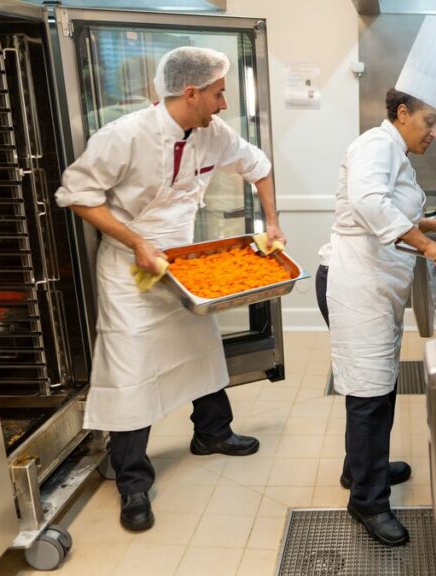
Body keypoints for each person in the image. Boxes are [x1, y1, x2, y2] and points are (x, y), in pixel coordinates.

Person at [55, 46, 286, 531]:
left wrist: (273, 221)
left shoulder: (210, 133)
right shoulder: (125, 136)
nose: (224, 104)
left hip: (182, 262)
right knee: (131, 370)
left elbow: (259, 165)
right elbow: (75, 194)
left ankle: (212, 433)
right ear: (191, 92)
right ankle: (132, 482)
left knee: (201, 347)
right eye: (219, 94)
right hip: (130, 268)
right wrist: (136, 240)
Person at [316, 16, 436, 546]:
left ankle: (361, 468)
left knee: (377, 385)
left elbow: (387, 206)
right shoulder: (375, 145)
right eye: (428, 120)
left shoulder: (396, 154)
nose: (434, 132)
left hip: (374, 284)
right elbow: (367, 205)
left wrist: (430, 223)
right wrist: (429, 245)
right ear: (402, 111)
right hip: (355, 283)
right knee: (369, 392)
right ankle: (367, 502)